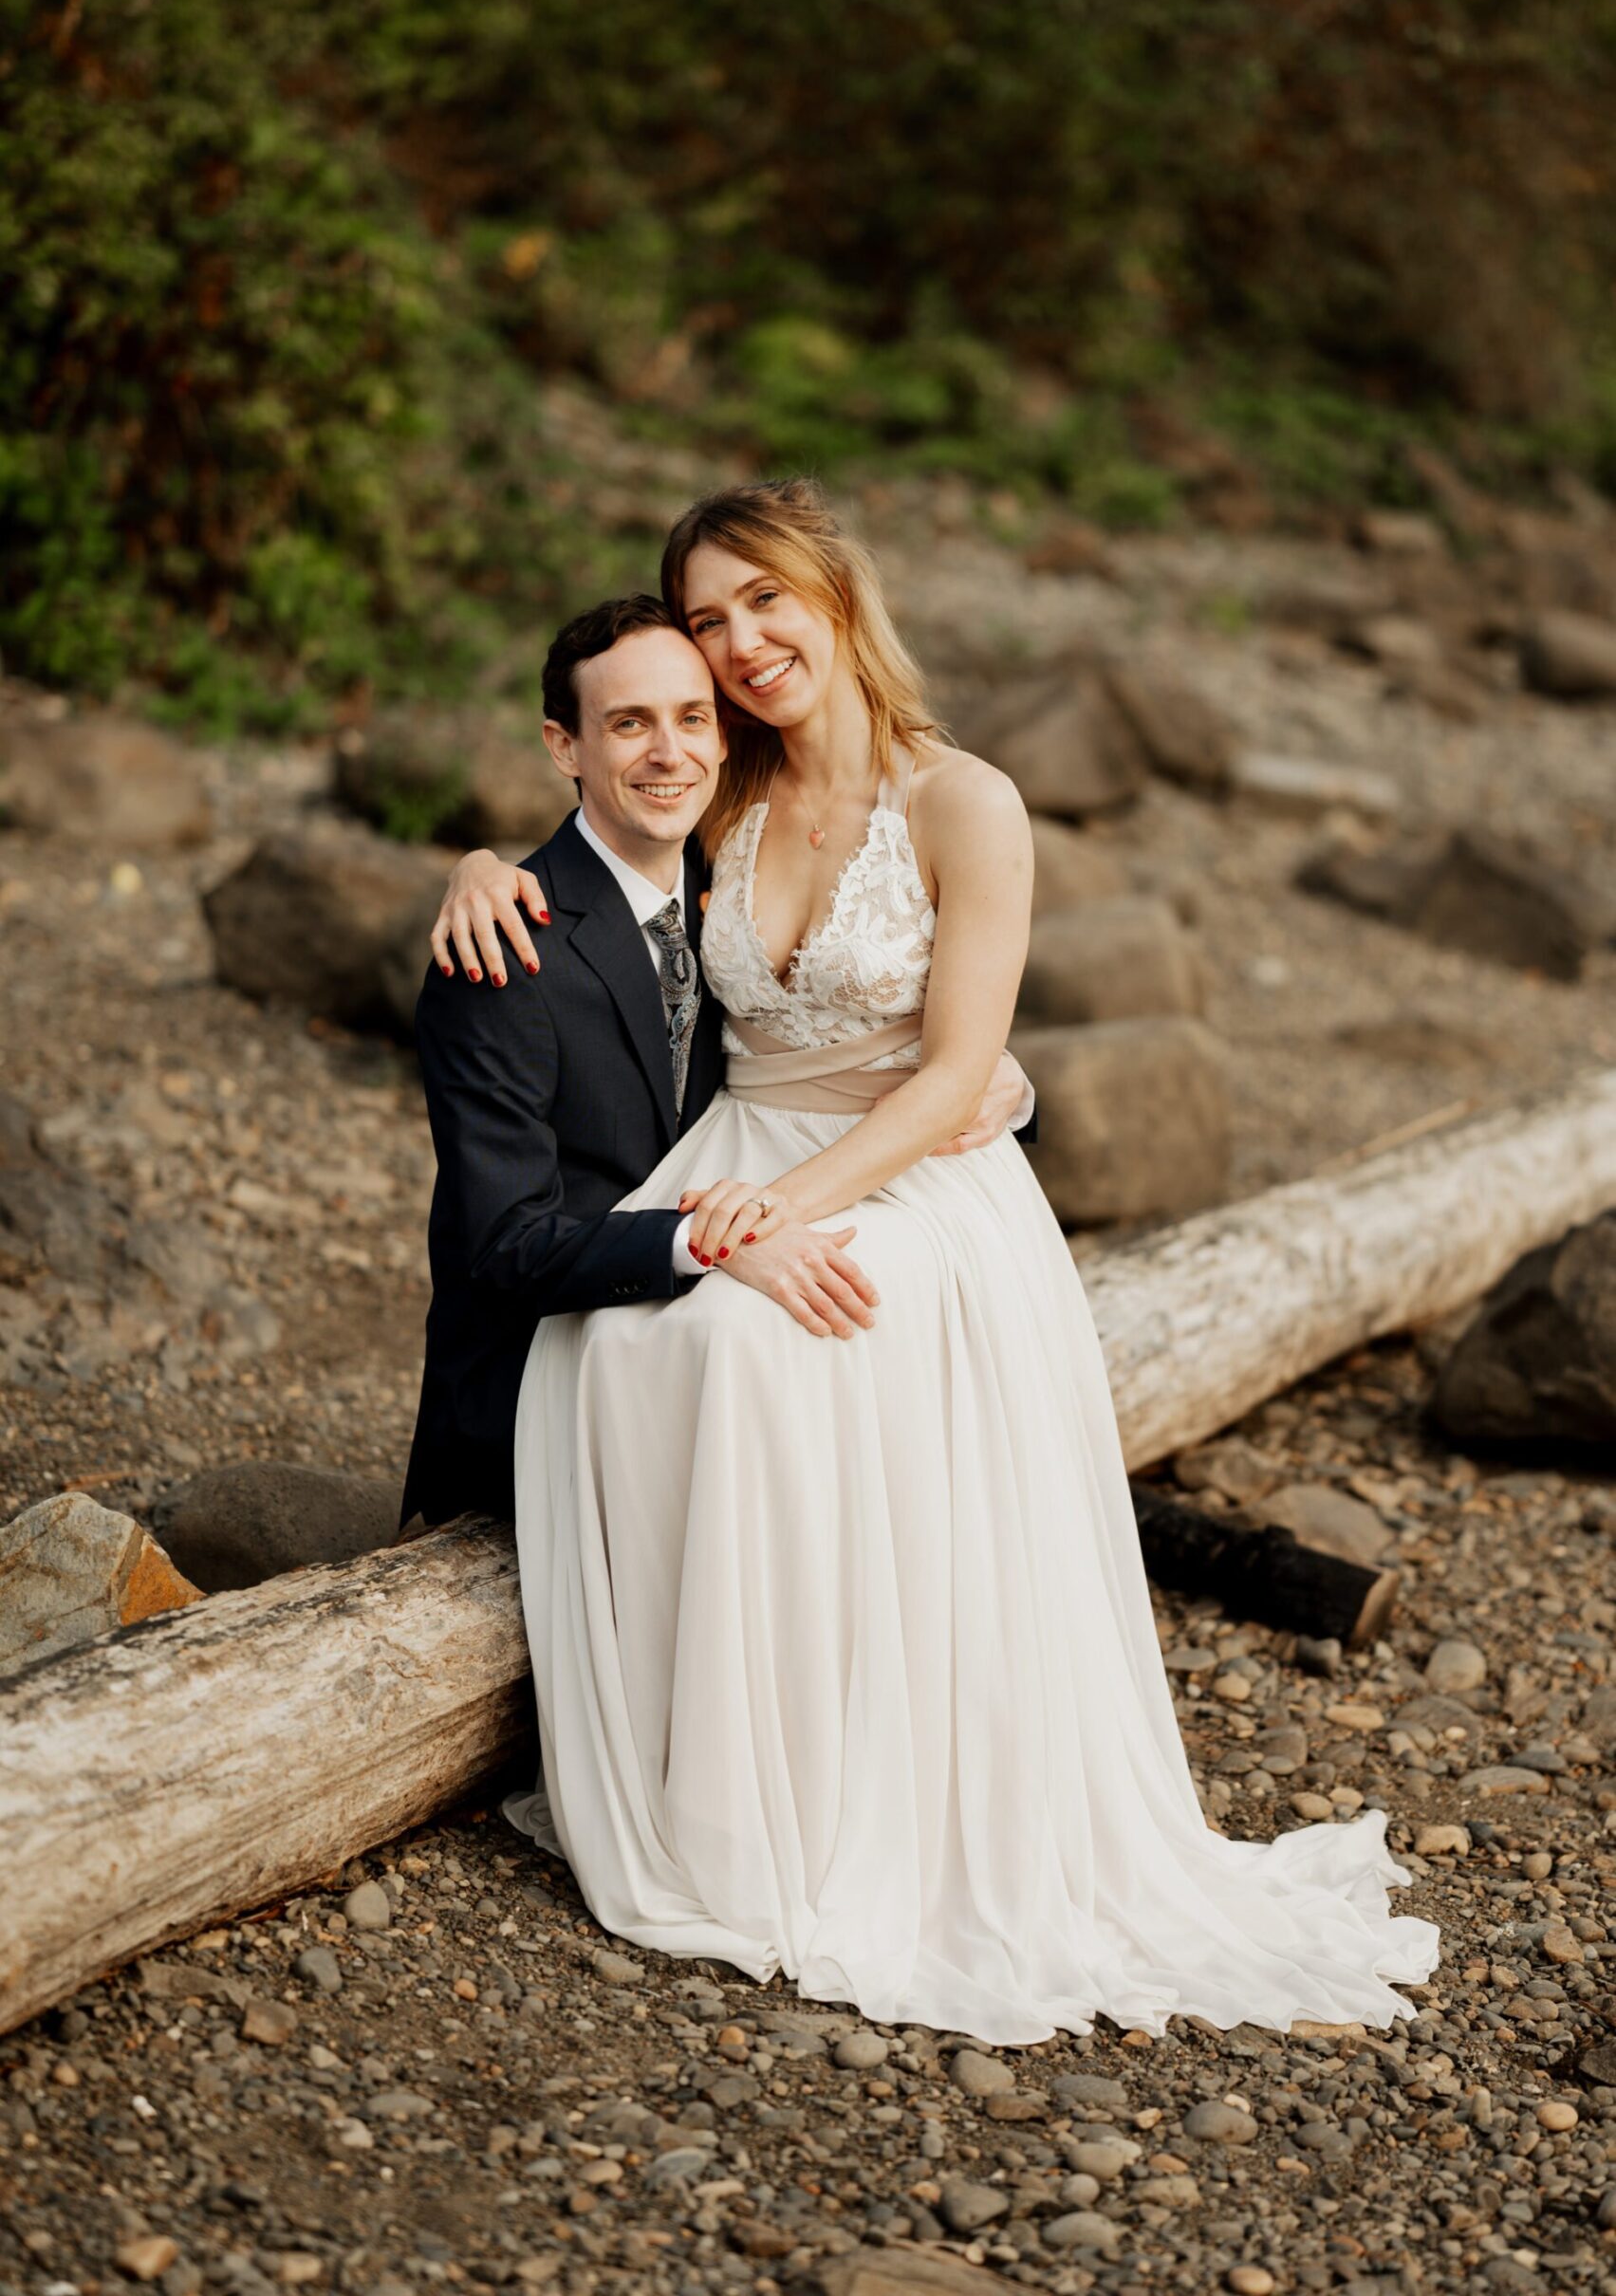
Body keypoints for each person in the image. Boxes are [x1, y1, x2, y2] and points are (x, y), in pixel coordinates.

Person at [430, 478, 1440, 2045]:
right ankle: (713, 1795)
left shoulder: (965, 802)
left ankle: (845, 1812)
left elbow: (959, 1072)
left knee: (772, 1351)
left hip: (906, 1180)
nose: (741, 643)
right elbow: (599, 834)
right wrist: (480, 867)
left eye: (763, 600)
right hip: (738, 1166)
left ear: (834, 597)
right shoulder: (724, 787)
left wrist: (781, 1216)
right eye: (709, 620)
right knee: (631, 1350)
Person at [403, 593, 1030, 1533]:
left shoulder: (732, 882)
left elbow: (847, 1029)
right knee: (769, 1338)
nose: (669, 753)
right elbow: (502, 1247)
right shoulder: (500, 954)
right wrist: (713, 1243)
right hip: (544, 1378)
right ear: (563, 746)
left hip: (696, 1337)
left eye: (692, 718)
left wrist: (1003, 1081)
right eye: (628, 724)